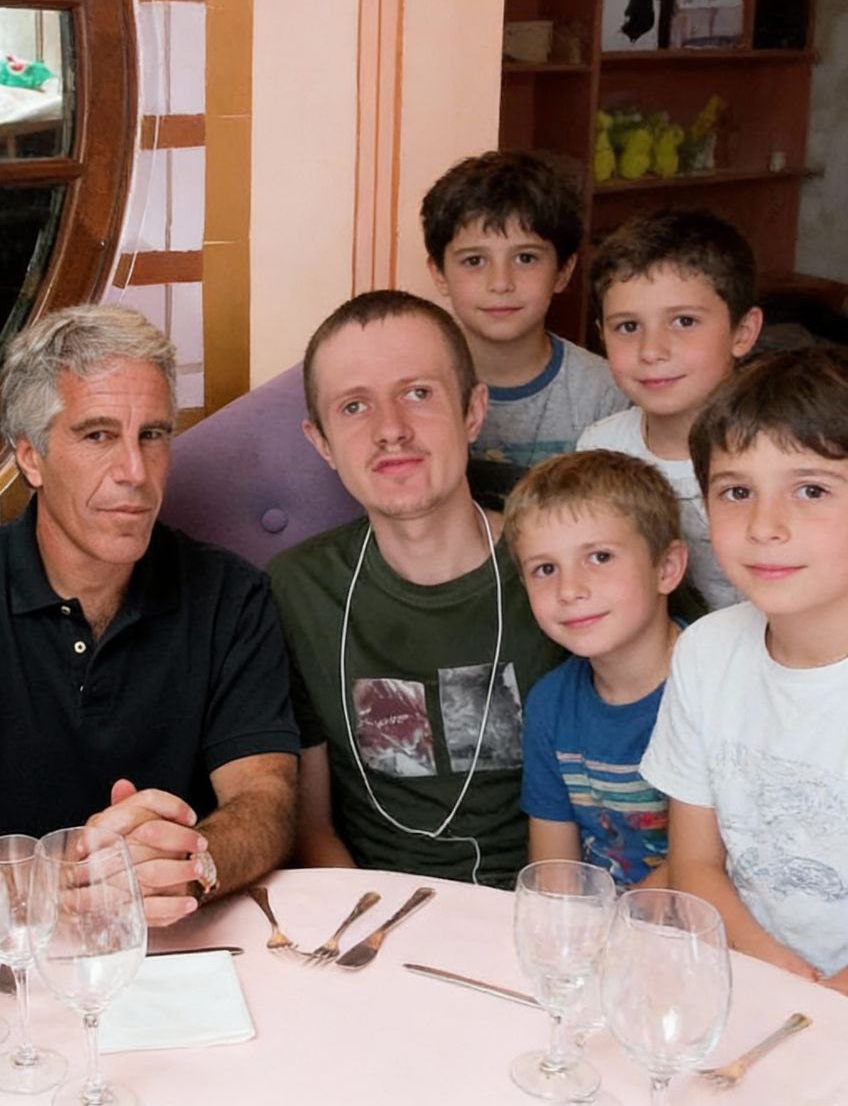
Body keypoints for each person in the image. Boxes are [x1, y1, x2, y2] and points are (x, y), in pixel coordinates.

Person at [0, 304, 299, 926]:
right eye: (98, 435)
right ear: (31, 457)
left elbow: (266, 801)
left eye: (153, 435)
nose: (135, 472)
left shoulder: (233, 596)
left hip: (179, 931)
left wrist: (192, 863)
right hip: (8, 941)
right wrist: (60, 882)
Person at [268, 290, 565, 888]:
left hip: (545, 908)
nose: (391, 430)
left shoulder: (566, 568)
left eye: (418, 393)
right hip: (372, 907)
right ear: (321, 443)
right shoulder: (298, 590)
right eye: (354, 406)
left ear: (473, 411)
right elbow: (311, 827)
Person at [642, 347, 848, 994]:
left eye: (811, 490)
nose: (764, 526)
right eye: (736, 492)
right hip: (745, 977)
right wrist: (777, 974)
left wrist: (817, 1008)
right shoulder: (706, 652)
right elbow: (695, 863)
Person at [503, 450, 690, 888]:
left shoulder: (715, 684)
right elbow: (555, 871)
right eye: (545, 569)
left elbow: (713, 859)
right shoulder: (550, 704)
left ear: (666, 568)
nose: (569, 589)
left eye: (600, 557)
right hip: (594, 920)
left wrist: (615, 921)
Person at [577, 209, 763, 609]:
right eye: (628, 327)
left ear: (743, 332)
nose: (652, 351)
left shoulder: (777, 451)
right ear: (602, 336)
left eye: (684, 321)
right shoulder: (601, 447)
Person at [423, 151, 626, 500]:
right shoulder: (414, 384)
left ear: (563, 271)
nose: (501, 283)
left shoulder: (606, 394)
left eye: (526, 258)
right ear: (439, 273)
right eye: (474, 260)